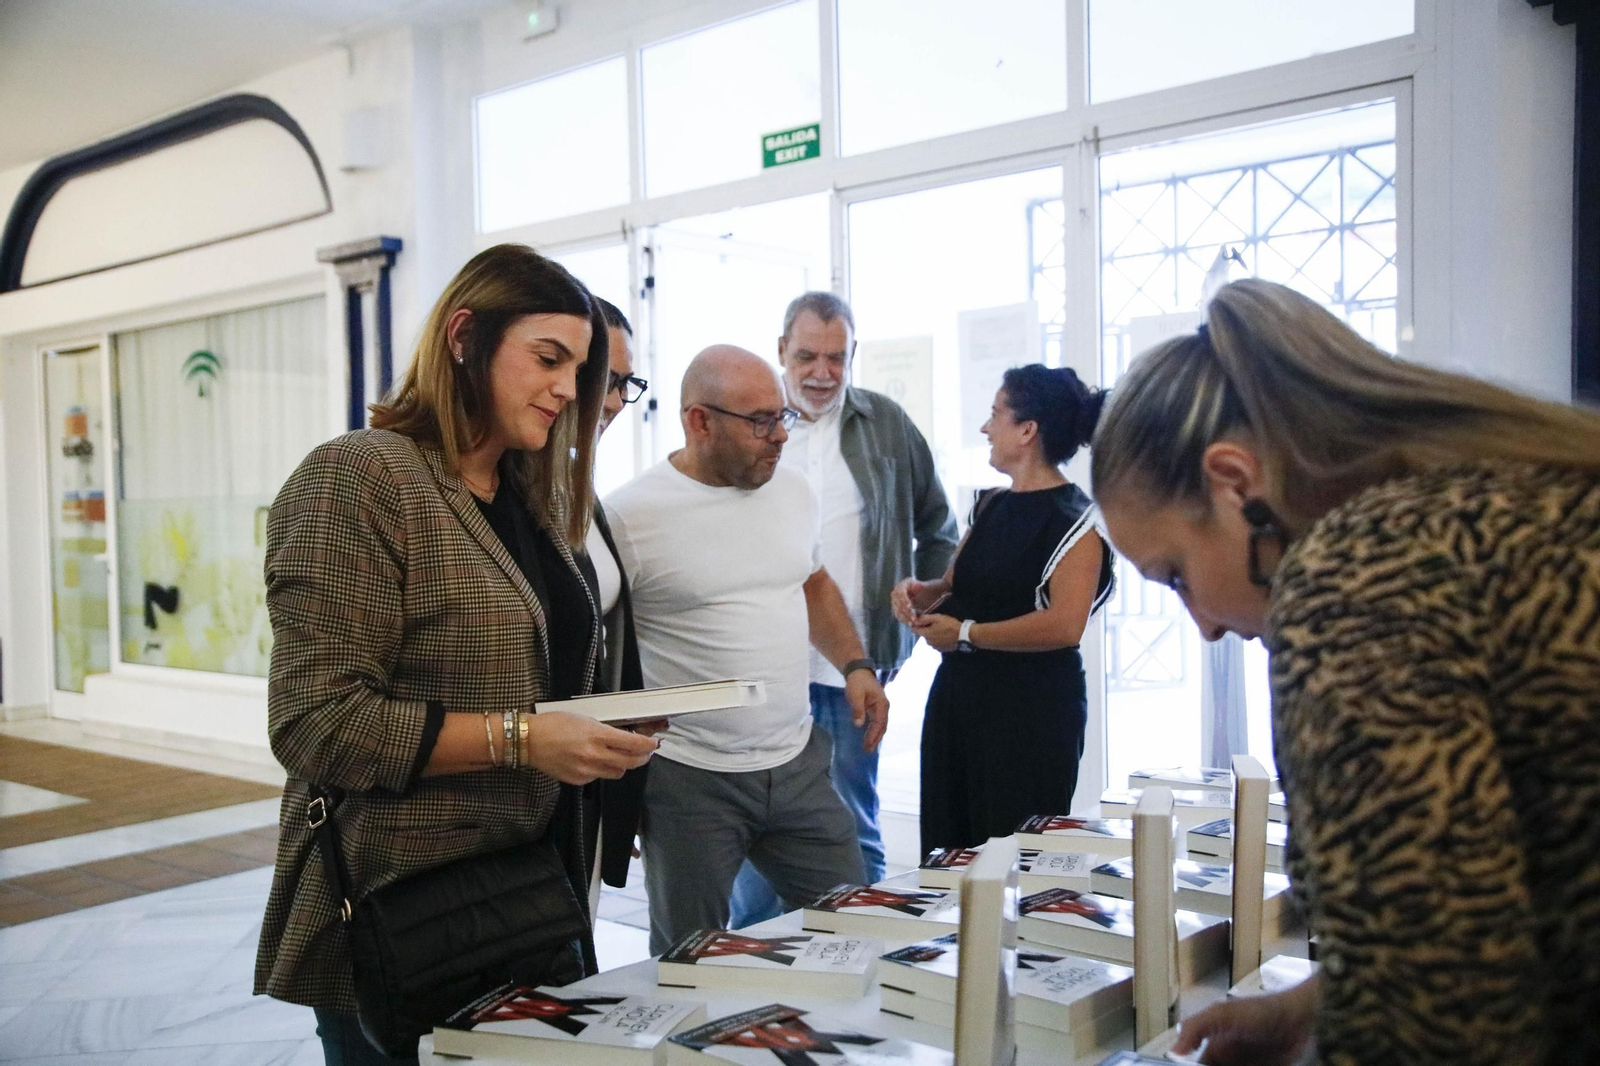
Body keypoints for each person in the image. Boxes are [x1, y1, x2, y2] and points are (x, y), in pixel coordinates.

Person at [1088, 279, 1600, 1066]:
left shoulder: (1355, 581)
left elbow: (1442, 1023)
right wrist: (1316, 1007)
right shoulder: (1505, 498)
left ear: (1236, 483)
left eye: (1177, 575)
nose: (1206, 624)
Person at [254, 245, 660, 1066]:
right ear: (465, 337)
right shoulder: (362, 477)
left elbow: (536, 668)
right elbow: (316, 722)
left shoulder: (527, 496)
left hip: (526, 895)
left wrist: (597, 725)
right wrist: (524, 739)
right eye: (547, 358)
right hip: (400, 907)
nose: (566, 389)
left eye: (578, 369)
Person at [604, 344, 889, 954]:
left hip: (796, 762)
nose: (780, 436)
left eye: (781, 416)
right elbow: (592, 638)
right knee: (691, 957)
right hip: (690, 779)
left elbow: (812, 580)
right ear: (699, 421)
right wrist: (612, 775)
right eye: (760, 421)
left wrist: (855, 664)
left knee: (854, 929)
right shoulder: (629, 516)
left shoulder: (793, 491)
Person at [729, 290, 959, 924]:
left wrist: (920, 603)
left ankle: (864, 948)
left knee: (851, 821)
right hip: (765, 666)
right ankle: (754, 953)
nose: (823, 373)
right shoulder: (748, 424)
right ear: (782, 350)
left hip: (853, 664)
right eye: (808, 356)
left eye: (837, 357)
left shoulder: (885, 424)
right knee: (758, 826)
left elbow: (939, 526)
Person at [894, 364, 1115, 854]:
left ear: (1027, 430)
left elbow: (1065, 625)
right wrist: (917, 592)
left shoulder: (1077, 522)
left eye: (995, 414)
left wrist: (966, 634)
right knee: (948, 852)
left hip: (1029, 714)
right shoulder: (990, 505)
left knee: (1012, 857)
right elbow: (955, 587)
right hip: (959, 702)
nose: (985, 427)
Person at [583, 297, 652, 892]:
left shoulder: (581, 491)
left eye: (625, 384)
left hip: (586, 779)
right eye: (605, 379)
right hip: (516, 791)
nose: (613, 401)